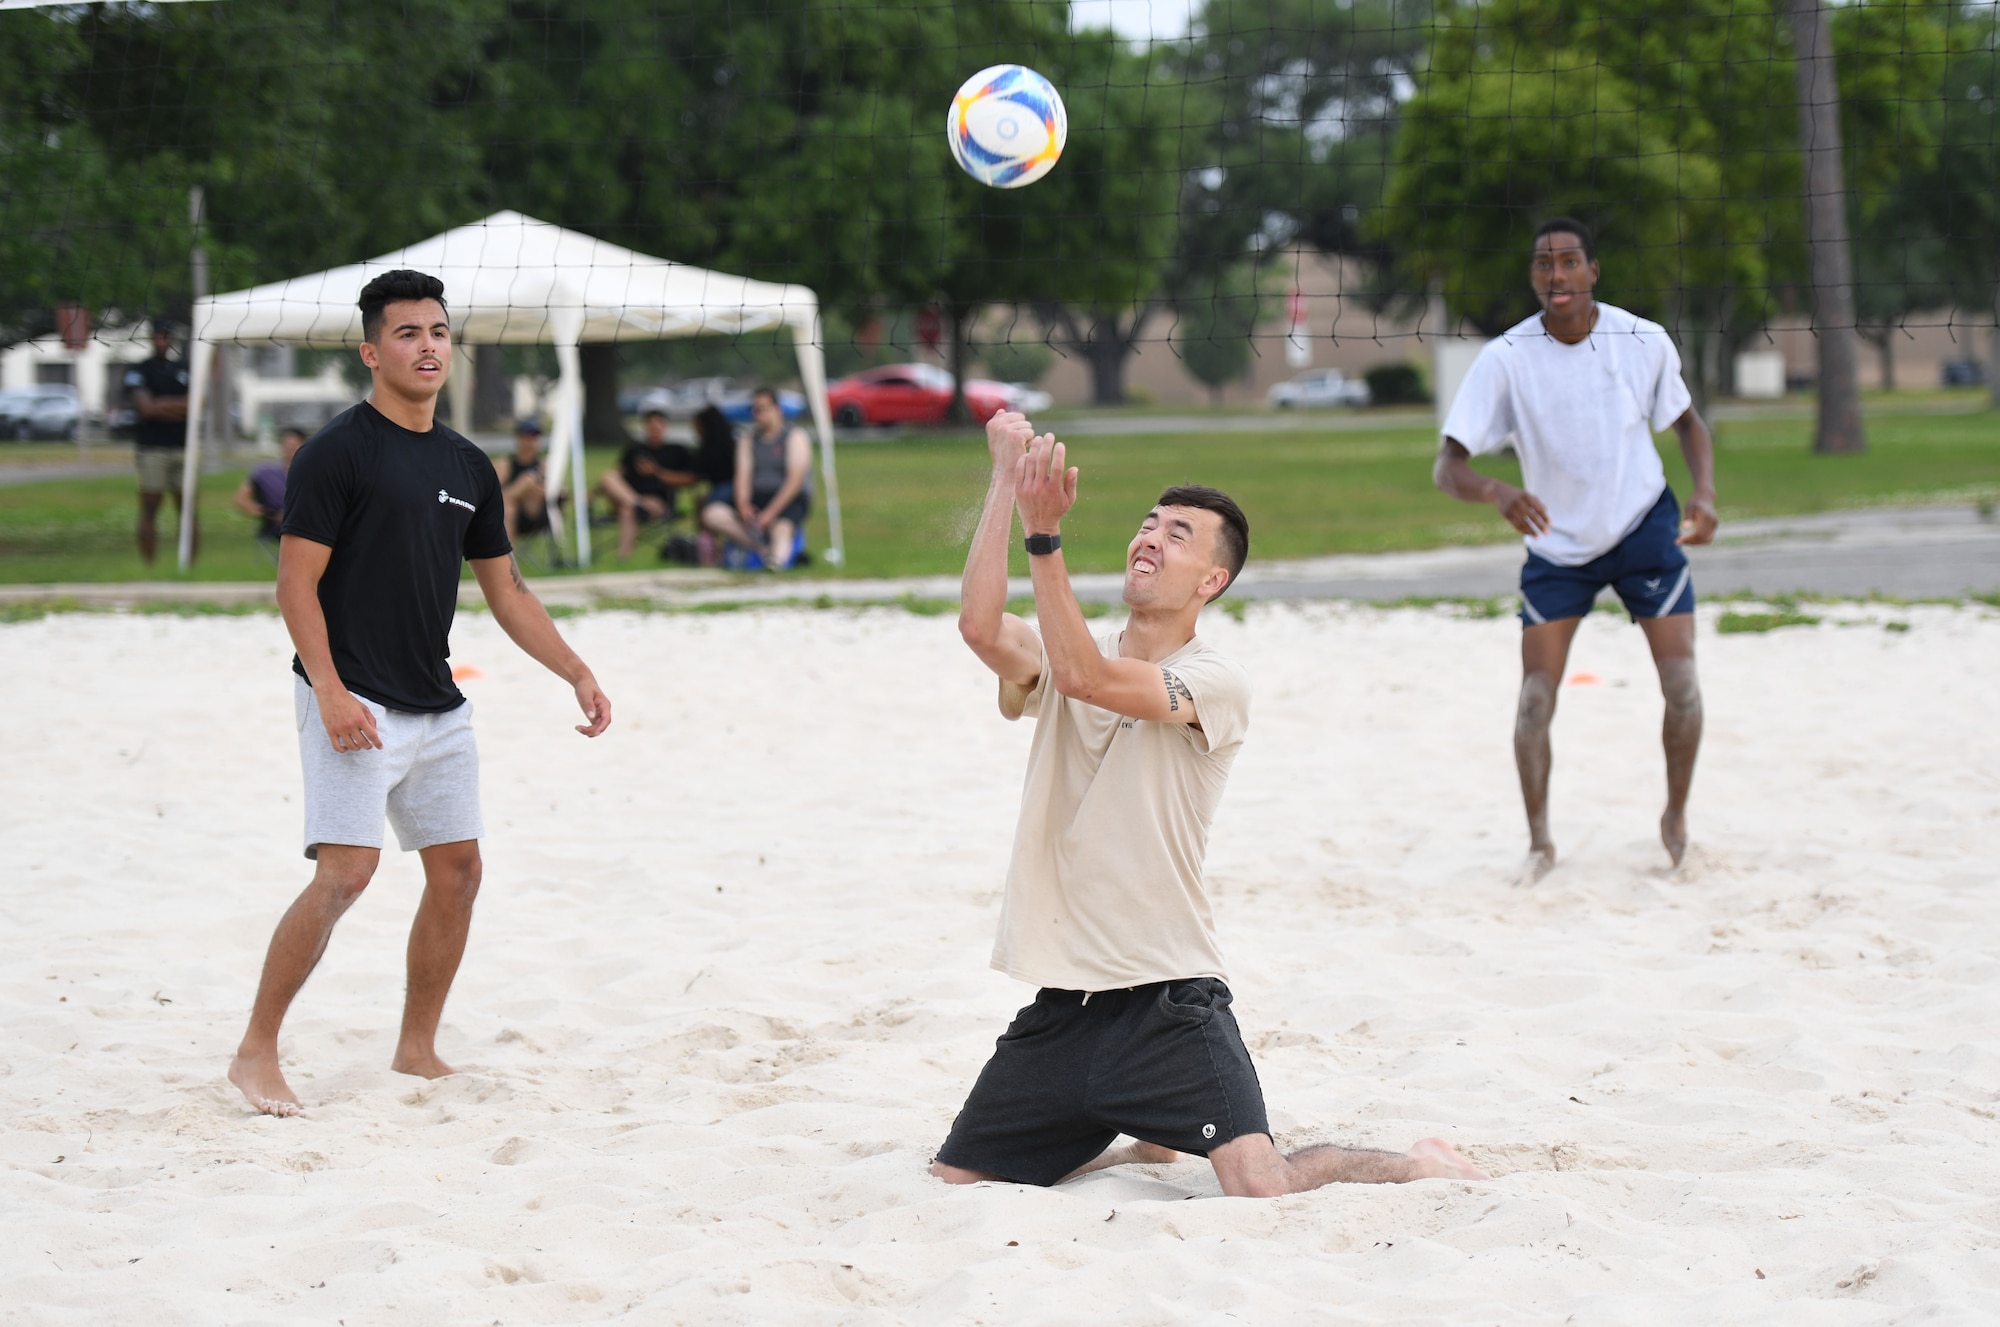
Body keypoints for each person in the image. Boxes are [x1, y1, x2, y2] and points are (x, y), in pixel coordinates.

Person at [934, 410, 1487, 1196]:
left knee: (1260, 1184)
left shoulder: (1215, 679)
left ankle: (1420, 1162)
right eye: (1148, 524)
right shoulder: (1068, 653)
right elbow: (981, 626)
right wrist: (1004, 478)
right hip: (1070, 1000)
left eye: (1180, 534)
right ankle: (1141, 1145)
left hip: (1168, 996)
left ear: (1210, 580)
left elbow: (1091, 677)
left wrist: (1044, 537)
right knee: (960, 1175)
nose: (1151, 537)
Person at [227, 269, 613, 1118]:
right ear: (372, 351)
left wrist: (576, 670)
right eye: (407, 333)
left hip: (436, 704)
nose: (427, 345)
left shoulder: (466, 462)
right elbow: (295, 588)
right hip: (351, 693)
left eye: (438, 331)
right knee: (346, 875)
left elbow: (507, 589)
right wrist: (328, 689)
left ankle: (417, 1045)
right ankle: (256, 1051)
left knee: (460, 870)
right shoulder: (336, 452)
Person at [1433, 217, 1718, 882]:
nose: (1555, 275)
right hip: (1557, 545)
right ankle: (1540, 844)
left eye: (1568, 262)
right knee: (1534, 699)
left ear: (1594, 270)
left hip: (1644, 525)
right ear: (1533, 276)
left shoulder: (1641, 340)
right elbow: (1447, 467)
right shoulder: (1506, 357)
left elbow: (1689, 426)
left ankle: (1674, 819)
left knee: (1683, 687)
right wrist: (1498, 492)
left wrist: (1703, 497)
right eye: (1543, 264)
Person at [700, 387, 812, 569]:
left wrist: (770, 514)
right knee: (712, 514)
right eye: (755, 409)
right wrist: (744, 507)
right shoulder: (748, 440)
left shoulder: (794, 437)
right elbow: (742, 477)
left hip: (787, 499)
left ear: (777, 409)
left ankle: (777, 560)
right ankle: (761, 550)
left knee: (782, 527)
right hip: (757, 497)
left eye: (763, 408)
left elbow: (794, 481)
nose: (758, 414)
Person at [125, 321, 196, 564]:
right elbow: (145, 409)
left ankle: (189, 565)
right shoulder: (140, 370)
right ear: (151, 338)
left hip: (182, 446)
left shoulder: (184, 368)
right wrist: (175, 407)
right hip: (152, 448)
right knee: (150, 507)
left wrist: (160, 405)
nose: (162, 342)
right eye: (158, 337)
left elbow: (195, 405)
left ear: (172, 339)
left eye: (167, 337)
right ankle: (149, 565)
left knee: (187, 509)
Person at [594, 408, 696, 559]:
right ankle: (636, 505)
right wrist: (590, 495)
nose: (654, 430)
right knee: (608, 477)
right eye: (651, 426)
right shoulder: (634, 450)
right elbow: (616, 474)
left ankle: (622, 557)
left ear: (665, 427)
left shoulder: (676, 451)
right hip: (629, 498)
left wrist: (656, 472)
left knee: (628, 511)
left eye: (658, 426)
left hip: (658, 501)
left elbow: (690, 479)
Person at [234, 426, 307, 547]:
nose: (290, 451)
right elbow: (240, 500)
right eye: (287, 446)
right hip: (279, 525)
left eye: (294, 447)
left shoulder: (313, 473)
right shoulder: (264, 473)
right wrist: (268, 514)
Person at [498, 417, 549, 541]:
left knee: (529, 482)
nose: (532, 441)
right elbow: (490, 493)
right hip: (508, 515)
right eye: (528, 436)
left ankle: (506, 557)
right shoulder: (506, 464)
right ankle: (508, 557)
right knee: (509, 508)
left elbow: (554, 492)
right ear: (519, 437)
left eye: (535, 436)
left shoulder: (544, 465)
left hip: (535, 514)